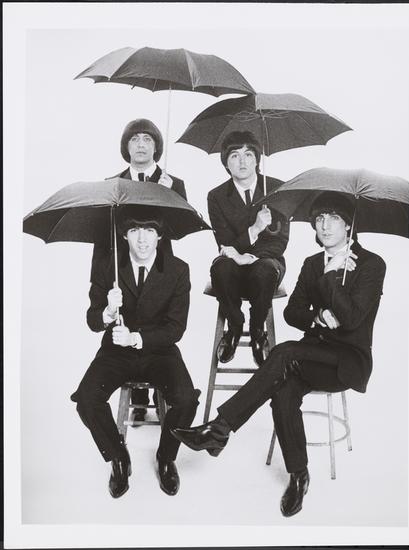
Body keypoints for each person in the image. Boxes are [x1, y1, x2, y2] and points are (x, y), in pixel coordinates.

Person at [172, 191, 386, 517]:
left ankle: (219, 429)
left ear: (348, 226)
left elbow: (353, 319)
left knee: (284, 353)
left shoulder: (371, 263)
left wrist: (332, 277)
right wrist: (317, 316)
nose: (325, 225)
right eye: (319, 218)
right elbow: (292, 313)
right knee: (283, 393)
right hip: (312, 355)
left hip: (347, 361)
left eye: (334, 219)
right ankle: (299, 476)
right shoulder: (312, 263)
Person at [71, 207, 200, 498]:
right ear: (124, 235)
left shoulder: (178, 269)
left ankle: (166, 458)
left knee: (186, 400)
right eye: (134, 231)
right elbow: (92, 321)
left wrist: (137, 338)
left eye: (149, 231)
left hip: (159, 351)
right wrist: (107, 311)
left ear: (160, 235)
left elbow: (176, 328)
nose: (142, 239)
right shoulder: (108, 266)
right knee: (87, 399)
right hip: (116, 352)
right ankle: (118, 457)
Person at [97, 118, 188, 424]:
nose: (140, 144)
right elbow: (104, 237)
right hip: (122, 270)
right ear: (126, 146)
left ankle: (159, 383)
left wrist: (169, 196)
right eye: (134, 139)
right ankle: (136, 395)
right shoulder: (112, 184)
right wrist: (100, 278)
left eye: (147, 139)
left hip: (158, 270)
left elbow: (179, 229)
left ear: (156, 147)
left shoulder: (173, 183)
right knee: (126, 325)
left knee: (155, 327)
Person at [207, 131, 290, 366]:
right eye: (234, 155)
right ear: (226, 163)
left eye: (248, 154)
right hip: (232, 266)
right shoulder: (216, 196)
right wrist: (254, 229)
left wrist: (250, 257)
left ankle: (257, 330)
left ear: (257, 159)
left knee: (264, 270)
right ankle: (234, 326)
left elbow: (279, 241)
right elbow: (224, 242)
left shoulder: (277, 189)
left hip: (266, 263)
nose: (242, 161)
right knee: (220, 268)